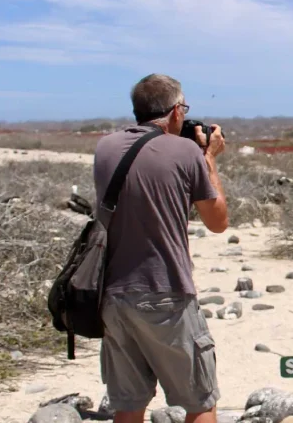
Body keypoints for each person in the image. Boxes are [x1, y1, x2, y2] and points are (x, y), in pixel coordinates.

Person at [92, 73, 229, 423]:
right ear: (176, 111)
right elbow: (217, 222)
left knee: (129, 404)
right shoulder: (186, 152)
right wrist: (209, 159)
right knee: (201, 401)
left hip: (112, 294)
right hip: (166, 292)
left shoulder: (105, 147)